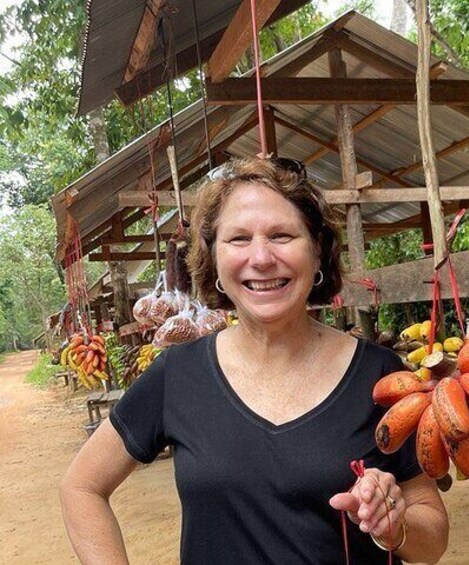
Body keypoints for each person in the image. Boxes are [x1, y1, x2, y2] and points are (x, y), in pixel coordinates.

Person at [60, 157, 449, 564]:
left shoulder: (381, 377)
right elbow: (82, 487)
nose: (261, 258)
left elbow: (433, 540)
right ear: (214, 261)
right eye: (239, 239)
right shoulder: (178, 375)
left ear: (317, 252)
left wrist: (395, 524)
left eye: (282, 235)